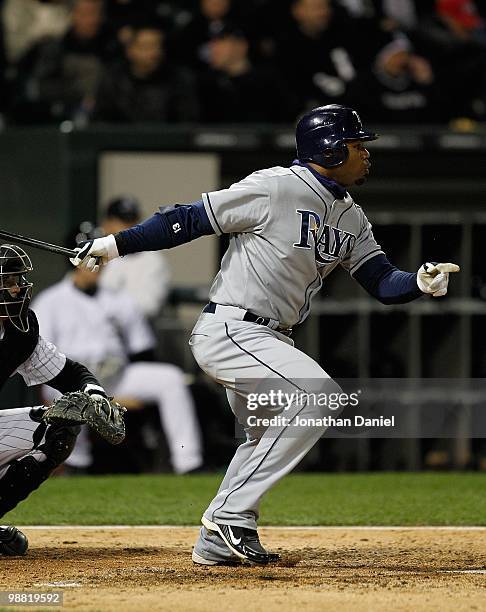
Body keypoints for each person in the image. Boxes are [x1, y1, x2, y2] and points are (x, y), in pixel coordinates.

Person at [70, 104, 460, 565]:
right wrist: (115, 245)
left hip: (273, 339)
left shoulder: (351, 216)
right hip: (232, 328)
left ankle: (217, 539)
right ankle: (231, 516)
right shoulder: (276, 186)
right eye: (357, 145)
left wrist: (417, 282)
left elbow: (380, 281)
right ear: (330, 149)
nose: (365, 153)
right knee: (318, 397)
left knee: (263, 436)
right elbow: (187, 219)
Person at [33, 227, 203, 475]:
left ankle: (188, 463)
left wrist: (118, 400)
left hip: (116, 378)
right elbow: (39, 360)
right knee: (62, 389)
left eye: (98, 259)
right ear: (73, 260)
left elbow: (142, 349)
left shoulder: (119, 299)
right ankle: (74, 464)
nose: (96, 266)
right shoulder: (50, 302)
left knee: (171, 379)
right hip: (75, 381)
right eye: (89, 259)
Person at [0, 244, 122, 556]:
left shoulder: (19, 331)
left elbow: (72, 374)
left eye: (17, 279)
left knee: (59, 429)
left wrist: (94, 394)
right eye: (8, 281)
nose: (17, 289)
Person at [92, 23, 199, 123]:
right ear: (130, 51)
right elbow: (101, 121)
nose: (154, 53)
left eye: (158, 46)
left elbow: (187, 124)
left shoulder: (179, 79)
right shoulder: (113, 79)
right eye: (147, 47)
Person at [99, 196, 171, 319]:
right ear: (107, 224)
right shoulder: (99, 255)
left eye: (133, 222)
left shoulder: (152, 260)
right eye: (122, 222)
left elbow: (149, 306)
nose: (129, 228)